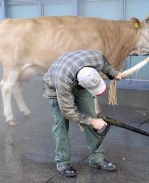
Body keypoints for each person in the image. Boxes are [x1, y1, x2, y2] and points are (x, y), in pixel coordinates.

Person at [43, 50, 122, 178]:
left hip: (76, 78)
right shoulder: (63, 81)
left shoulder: (96, 58)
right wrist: (91, 121)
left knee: (91, 114)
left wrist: (113, 74)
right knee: (61, 123)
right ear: (80, 83)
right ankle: (63, 162)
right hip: (56, 88)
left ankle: (97, 159)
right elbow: (68, 111)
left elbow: (105, 64)